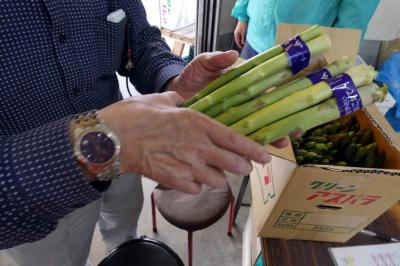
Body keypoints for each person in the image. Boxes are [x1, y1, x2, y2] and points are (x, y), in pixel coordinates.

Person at [0, 1, 288, 265]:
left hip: (129, 152)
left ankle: (123, 247)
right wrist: (96, 143)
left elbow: (140, 41)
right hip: (38, 197)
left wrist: (175, 81)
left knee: (123, 225)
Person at [232, 0, 380, 59]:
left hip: (300, 50)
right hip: (255, 37)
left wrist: (335, 56)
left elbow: (356, 14)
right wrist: (242, 14)